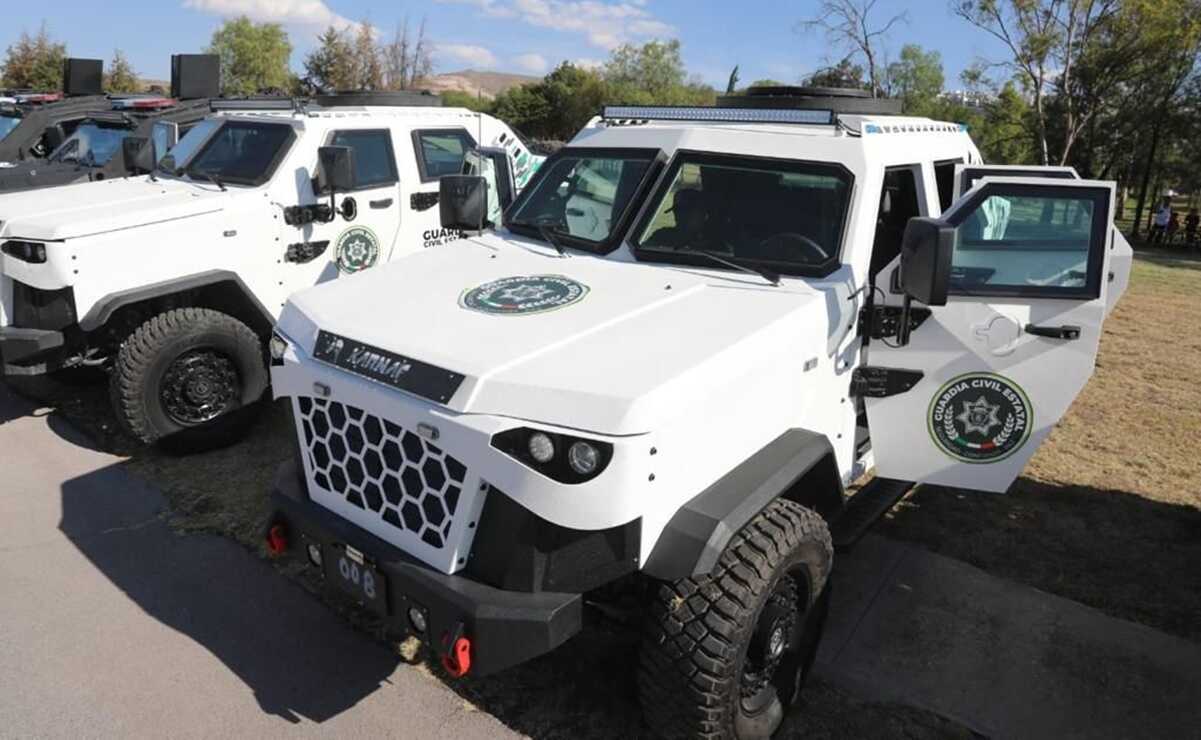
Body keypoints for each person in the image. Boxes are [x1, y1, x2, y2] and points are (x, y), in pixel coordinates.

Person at [646, 188, 711, 250]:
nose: (679, 215)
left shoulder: (713, 240)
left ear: (703, 214)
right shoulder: (662, 235)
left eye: (687, 211)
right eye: (677, 210)